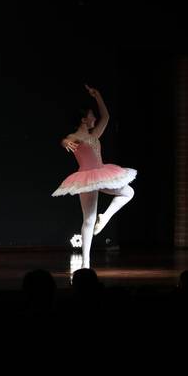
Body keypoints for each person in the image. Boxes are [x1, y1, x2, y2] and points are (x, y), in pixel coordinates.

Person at [52, 84, 135, 269]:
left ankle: (104, 217)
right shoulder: (76, 136)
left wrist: (98, 96)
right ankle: (85, 262)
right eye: (91, 115)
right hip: (87, 178)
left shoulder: (94, 134)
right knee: (89, 220)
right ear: (84, 119)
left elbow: (106, 117)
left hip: (102, 173)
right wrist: (65, 142)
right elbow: (66, 140)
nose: (94, 118)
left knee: (129, 192)